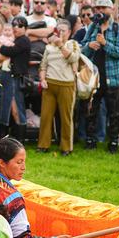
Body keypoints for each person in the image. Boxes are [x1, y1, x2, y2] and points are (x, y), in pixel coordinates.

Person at [81, 0, 119, 153]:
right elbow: (82, 49)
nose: (100, 11)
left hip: (113, 77)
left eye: (103, 8)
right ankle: (90, 140)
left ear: (111, 10)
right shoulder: (93, 26)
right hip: (95, 77)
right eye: (98, 8)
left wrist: (105, 44)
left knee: (115, 112)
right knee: (91, 110)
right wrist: (90, 45)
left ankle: (113, 142)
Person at [37, 20, 79, 155]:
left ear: (69, 32)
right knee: (46, 116)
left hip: (66, 84)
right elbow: (43, 65)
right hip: (50, 84)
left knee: (66, 117)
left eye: (63, 31)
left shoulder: (72, 44)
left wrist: (61, 45)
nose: (60, 33)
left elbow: (73, 59)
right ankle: (43, 145)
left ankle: (66, 147)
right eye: (58, 30)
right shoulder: (48, 47)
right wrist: (42, 79)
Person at [0, 16, 31, 140]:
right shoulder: (15, 40)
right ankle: (6, 139)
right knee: (7, 108)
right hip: (9, 77)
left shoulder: (23, 40)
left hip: (16, 78)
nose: (16, 28)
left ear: (25, 28)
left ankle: (19, 141)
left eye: (20, 25)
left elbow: (8, 51)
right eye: (14, 25)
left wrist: (2, 48)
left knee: (16, 108)